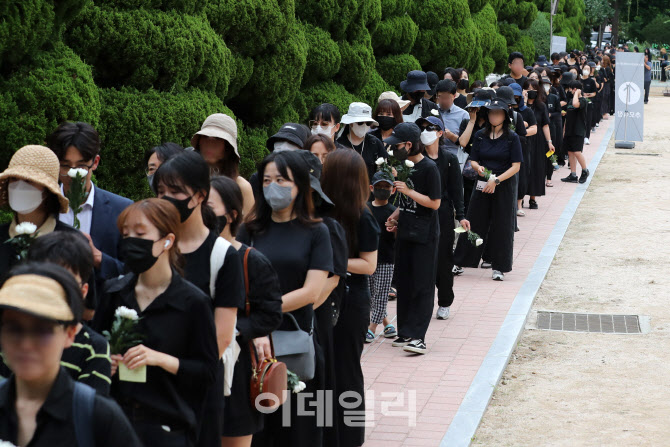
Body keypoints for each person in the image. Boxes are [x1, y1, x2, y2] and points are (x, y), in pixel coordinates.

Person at [92, 198, 219, 447]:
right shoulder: (113, 293)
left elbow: (207, 372)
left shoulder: (193, 302)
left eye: (140, 233)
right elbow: (93, 349)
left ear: (168, 241)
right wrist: (105, 362)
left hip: (167, 427)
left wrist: (159, 359)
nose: (130, 241)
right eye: (125, 234)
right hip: (114, 424)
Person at [237, 150, 333, 447]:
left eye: (281, 179)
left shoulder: (317, 231)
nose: (272, 187)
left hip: (295, 342)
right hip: (253, 346)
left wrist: (266, 309)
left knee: (299, 429)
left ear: (301, 185)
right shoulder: (249, 230)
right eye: (266, 180)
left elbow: (312, 291)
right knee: (258, 429)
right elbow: (236, 282)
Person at [153, 151, 245, 447]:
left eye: (176, 191)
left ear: (199, 196)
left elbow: (220, 337)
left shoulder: (223, 256)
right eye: (161, 191)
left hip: (198, 385)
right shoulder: (152, 245)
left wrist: (175, 366)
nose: (166, 198)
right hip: (151, 383)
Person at [0, 262, 142, 446]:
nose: (26, 344)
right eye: (14, 329)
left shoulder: (98, 418)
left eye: (42, 330)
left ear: (70, 333)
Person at [207, 176, 283, 446]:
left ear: (232, 214)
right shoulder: (185, 257)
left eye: (208, 205)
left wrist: (234, 329)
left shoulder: (251, 260)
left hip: (238, 371)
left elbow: (271, 313)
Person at [320, 149, 379, 446]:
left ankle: (352, 437)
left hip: (351, 302)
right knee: (326, 371)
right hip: (325, 299)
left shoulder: (363, 216)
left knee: (347, 372)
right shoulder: (320, 211)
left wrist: (329, 261)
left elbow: (369, 265)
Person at [26, 232, 112, 395]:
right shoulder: (13, 334)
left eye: (65, 280)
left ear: (83, 291)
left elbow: (88, 412)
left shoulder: (93, 348)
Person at [47, 122, 132, 282]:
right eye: (65, 166)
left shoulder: (122, 209)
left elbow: (133, 273)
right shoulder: (43, 206)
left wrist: (98, 258)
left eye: (80, 166)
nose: (73, 174)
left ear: (95, 162)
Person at [383, 123, 441, 354]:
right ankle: (405, 331)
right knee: (405, 283)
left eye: (395, 146)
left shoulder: (430, 168)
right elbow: (407, 204)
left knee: (422, 285)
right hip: (406, 231)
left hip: (425, 235)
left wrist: (407, 190)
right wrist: (394, 216)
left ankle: (419, 336)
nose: (392, 150)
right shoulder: (404, 166)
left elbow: (434, 203)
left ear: (408, 145)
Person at [453, 98, 522, 281]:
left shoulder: (512, 137)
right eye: (491, 113)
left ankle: (499, 267)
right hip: (482, 183)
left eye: (498, 113)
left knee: (502, 225)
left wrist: (496, 180)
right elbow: (473, 159)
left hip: (503, 184)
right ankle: (460, 261)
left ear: (505, 116)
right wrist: (478, 168)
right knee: (474, 220)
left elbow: (516, 166)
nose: (494, 116)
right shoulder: (481, 135)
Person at [416, 116, 468, 320]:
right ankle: (422, 301)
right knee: (422, 258)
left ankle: (445, 301)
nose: (425, 131)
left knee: (444, 259)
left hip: (443, 213)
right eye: (422, 128)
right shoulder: (416, 158)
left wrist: (461, 216)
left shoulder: (449, 159)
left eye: (430, 128)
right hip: (421, 212)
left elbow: (457, 190)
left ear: (440, 132)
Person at [0, 145, 73, 273]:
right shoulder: (1, 236)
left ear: (47, 191)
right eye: (14, 179)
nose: (18, 187)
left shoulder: (72, 244)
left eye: (29, 181)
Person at [192, 113, 255, 217]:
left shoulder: (241, 187)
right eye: (205, 136)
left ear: (228, 147)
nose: (210, 143)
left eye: (217, 138)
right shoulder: (187, 178)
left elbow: (250, 230)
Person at [365, 172, 397, 342]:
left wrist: (396, 227)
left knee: (382, 293)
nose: (382, 190)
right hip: (367, 259)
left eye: (386, 187)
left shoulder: (394, 212)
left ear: (393, 191)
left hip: (386, 259)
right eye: (379, 187)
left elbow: (398, 237)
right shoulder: (365, 209)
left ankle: (371, 328)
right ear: (372, 188)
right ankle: (386, 323)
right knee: (371, 294)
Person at [458, 89, 494, 215]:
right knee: (469, 201)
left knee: (486, 202)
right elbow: (462, 143)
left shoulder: (494, 123)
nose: (479, 110)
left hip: (488, 167)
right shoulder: (467, 122)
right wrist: (472, 121)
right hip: (469, 170)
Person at [336, 102, 387, 181]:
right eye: (360, 123)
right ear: (351, 123)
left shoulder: (375, 143)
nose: (364, 125)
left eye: (368, 123)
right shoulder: (339, 144)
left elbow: (384, 171)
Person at [524, 79, 555, 208]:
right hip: (524, 140)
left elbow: (545, 125)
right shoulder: (520, 106)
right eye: (528, 88)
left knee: (536, 168)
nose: (531, 91)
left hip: (538, 141)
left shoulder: (541, 106)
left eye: (534, 88)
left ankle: (533, 198)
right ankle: (520, 197)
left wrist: (549, 142)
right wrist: (523, 100)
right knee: (524, 167)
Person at [561, 80, 590, 184]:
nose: (570, 91)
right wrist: (564, 130)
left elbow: (575, 104)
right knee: (570, 152)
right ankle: (573, 175)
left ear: (575, 89)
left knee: (577, 151)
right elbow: (568, 116)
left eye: (571, 89)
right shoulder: (570, 101)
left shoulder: (582, 101)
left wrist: (578, 93)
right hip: (569, 130)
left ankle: (585, 170)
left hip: (578, 130)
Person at [434, 79, 469, 165]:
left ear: (454, 96)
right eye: (440, 97)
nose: (443, 101)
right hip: (433, 157)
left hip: (453, 159)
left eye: (447, 97)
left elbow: (466, 144)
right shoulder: (432, 110)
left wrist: (451, 136)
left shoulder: (463, 115)